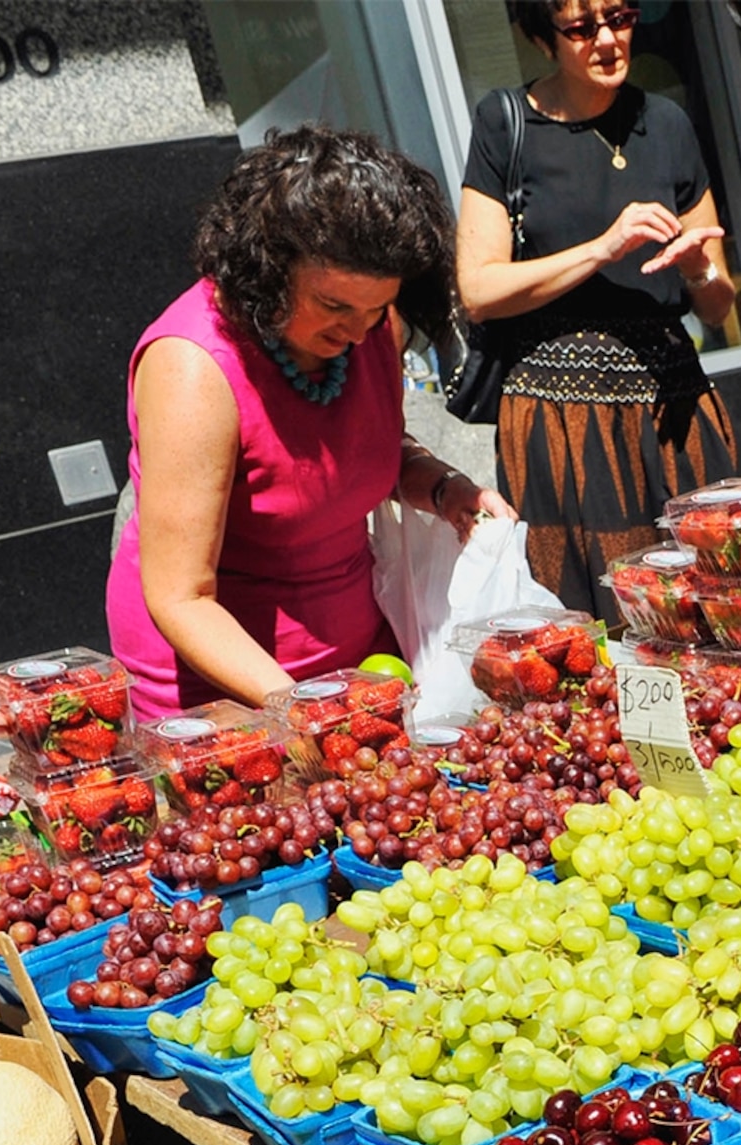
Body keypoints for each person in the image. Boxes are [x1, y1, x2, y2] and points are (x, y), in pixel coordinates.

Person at [109, 128, 510, 719]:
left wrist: (442, 486)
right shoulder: (192, 366)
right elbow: (181, 597)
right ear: (266, 271)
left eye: (376, 309)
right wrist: (301, 709)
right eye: (334, 307)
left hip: (363, 661)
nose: (357, 331)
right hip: (224, 691)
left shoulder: (376, 325)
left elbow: (357, 446)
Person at [459, 1, 740, 625]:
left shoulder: (665, 123)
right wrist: (600, 249)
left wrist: (698, 268)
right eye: (583, 28)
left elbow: (718, 307)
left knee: (711, 609)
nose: (608, 40)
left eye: (620, 17)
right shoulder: (508, 125)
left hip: (674, 410)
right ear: (541, 37)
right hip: (562, 419)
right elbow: (477, 287)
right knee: (600, 621)